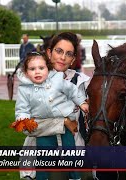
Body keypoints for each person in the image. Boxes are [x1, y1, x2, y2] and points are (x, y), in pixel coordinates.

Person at [17, 32, 90, 180]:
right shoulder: (32, 82)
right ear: (49, 53)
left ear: (73, 59)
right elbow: (26, 126)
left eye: (69, 54)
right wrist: (63, 122)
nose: (63, 57)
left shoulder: (83, 84)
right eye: (59, 51)